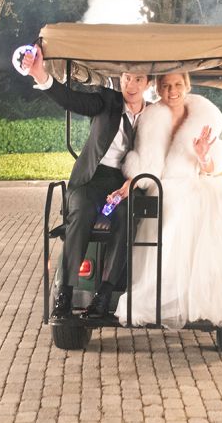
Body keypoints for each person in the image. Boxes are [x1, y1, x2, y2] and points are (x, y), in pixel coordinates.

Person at [111, 72, 222, 328]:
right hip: (162, 186)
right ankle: (167, 295)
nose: (172, 91)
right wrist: (133, 180)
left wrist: (203, 156)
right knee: (175, 210)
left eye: (178, 85)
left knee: (209, 211)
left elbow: (214, 166)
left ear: (187, 86)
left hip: (197, 182)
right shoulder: (150, 118)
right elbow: (145, 163)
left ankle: (204, 295)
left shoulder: (205, 116)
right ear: (158, 88)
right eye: (166, 86)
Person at [18, 45, 151, 320]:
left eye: (138, 79)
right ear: (120, 79)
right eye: (127, 78)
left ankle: (103, 297)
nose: (131, 85)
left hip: (129, 180)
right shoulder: (106, 100)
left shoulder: (154, 116)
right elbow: (73, 101)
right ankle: (65, 295)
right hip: (94, 177)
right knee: (81, 209)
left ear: (148, 83)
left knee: (127, 214)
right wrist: (40, 74)